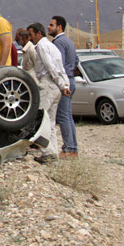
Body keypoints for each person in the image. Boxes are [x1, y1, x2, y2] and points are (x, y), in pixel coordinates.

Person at [27, 23, 70, 163]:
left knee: (39, 120)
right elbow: (60, 67)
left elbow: (50, 66)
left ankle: (48, 152)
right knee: (50, 122)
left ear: (39, 34)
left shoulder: (41, 46)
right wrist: (63, 84)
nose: (30, 38)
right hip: (56, 87)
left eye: (31, 35)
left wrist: (60, 83)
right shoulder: (52, 46)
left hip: (48, 85)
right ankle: (54, 154)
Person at [49, 16, 80, 158]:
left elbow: (57, 63)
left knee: (63, 116)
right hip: (71, 79)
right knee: (68, 115)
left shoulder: (58, 42)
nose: (48, 27)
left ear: (59, 27)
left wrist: (61, 82)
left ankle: (68, 148)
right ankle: (73, 148)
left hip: (64, 81)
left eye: (51, 25)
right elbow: (76, 61)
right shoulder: (69, 41)